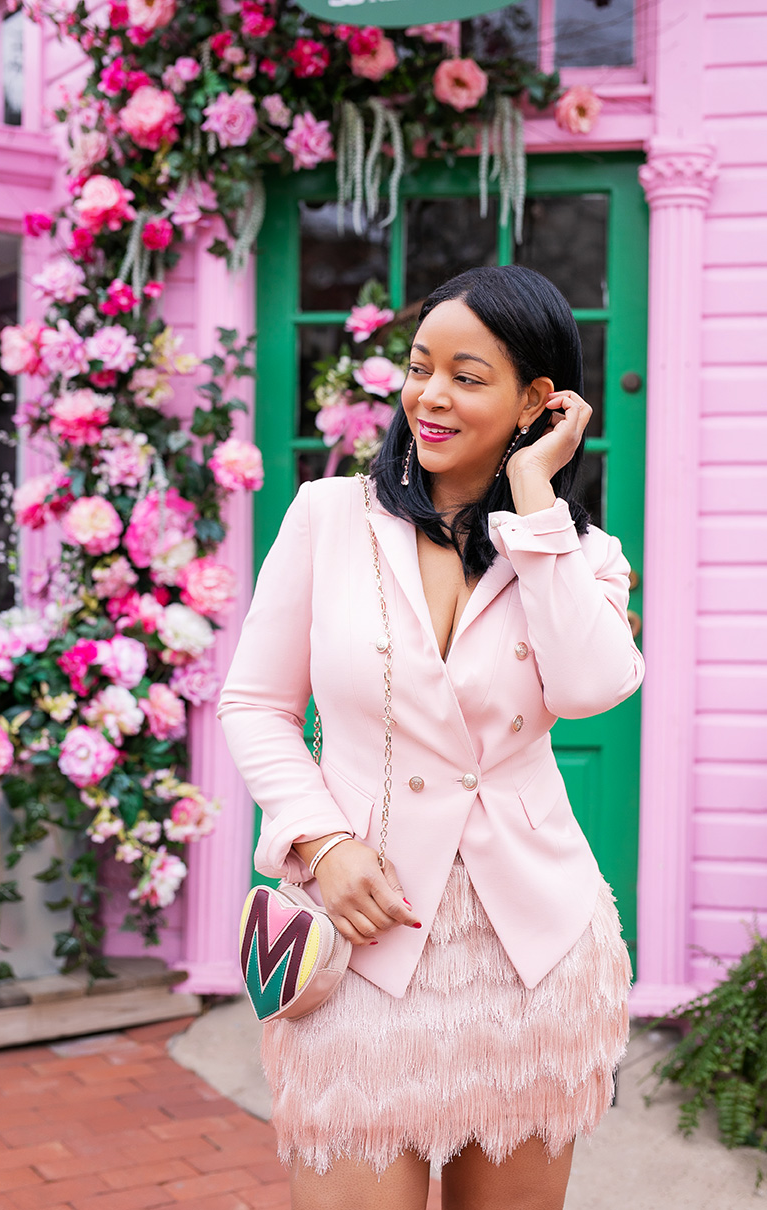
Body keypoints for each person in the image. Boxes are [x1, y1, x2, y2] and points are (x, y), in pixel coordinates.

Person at [218, 264, 644, 1210]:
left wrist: (535, 501)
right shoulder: (330, 517)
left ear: (539, 398)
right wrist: (320, 841)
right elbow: (255, 704)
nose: (430, 396)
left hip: (533, 954)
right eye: (419, 367)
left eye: (467, 374)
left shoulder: (584, 559)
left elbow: (590, 687)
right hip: (359, 939)